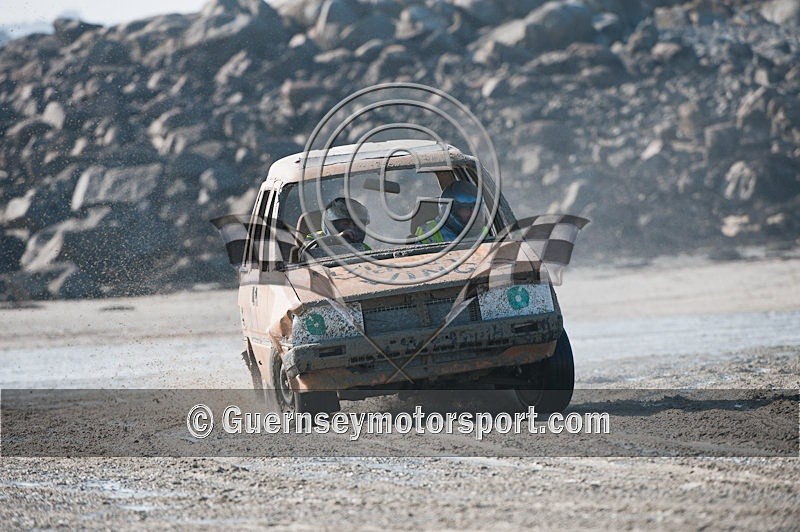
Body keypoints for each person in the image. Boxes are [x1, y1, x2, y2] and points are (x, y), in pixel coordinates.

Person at [414, 180, 484, 244]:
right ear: (451, 211)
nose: (474, 213)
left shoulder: (486, 231)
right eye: (466, 209)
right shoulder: (429, 233)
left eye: (477, 208)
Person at [303, 197, 371, 255]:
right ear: (330, 225)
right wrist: (334, 240)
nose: (351, 229)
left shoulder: (363, 247)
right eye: (345, 224)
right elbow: (305, 253)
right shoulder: (315, 237)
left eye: (357, 225)